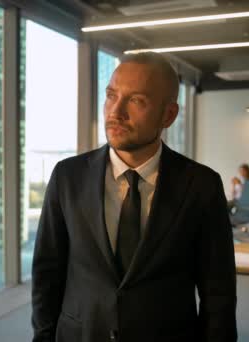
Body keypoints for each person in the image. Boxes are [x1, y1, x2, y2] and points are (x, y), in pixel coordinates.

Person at [31, 52, 237, 342]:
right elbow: (47, 271)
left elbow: (219, 292)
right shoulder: (68, 176)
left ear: (168, 115)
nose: (116, 111)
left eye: (136, 100)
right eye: (111, 95)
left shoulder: (202, 185)